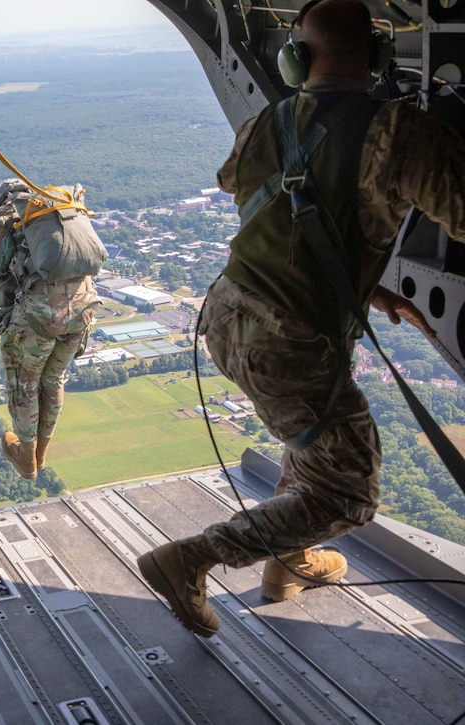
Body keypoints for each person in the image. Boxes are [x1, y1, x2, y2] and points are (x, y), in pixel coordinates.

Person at [136, 0, 465, 638]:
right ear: (374, 56)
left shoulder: (268, 121)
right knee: (347, 493)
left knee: (309, 438)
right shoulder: (398, 131)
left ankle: (288, 561)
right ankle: (190, 558)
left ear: (297, 60)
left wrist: (356, 286)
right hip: (288, 341)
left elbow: (263, 205)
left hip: (229, 315)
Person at [0, 179, 101, 480]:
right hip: (83, 309)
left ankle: (26, 458)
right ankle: (42, 454)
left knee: (25, 385)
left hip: (38, 316)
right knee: (53, 379)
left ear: (1, 197)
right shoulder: (61, 208)